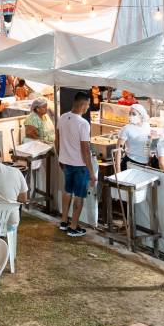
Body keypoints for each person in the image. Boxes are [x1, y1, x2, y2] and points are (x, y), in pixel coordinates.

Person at [55, 91, 96, 237]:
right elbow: (85, 150)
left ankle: (64, 221)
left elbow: (57, 141)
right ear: (83, 104)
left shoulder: (63, 117)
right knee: (79, 195)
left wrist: (60, 158)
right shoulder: (83, 124)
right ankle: (73, 227)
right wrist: (91, 172)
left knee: (67, 191)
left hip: (66, 162)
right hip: (80, 165)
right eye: (88, 105)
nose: (88, 108)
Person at [117, 104, 151, 171]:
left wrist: (148, 160)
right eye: (130, 114)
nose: (131, 116)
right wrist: (118, 170)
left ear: (141, 115)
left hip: (144, 163)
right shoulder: (126, 128)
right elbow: (118, 150)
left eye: (133, 114)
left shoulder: (146, 126)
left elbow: (147, 144)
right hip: (130, 162)